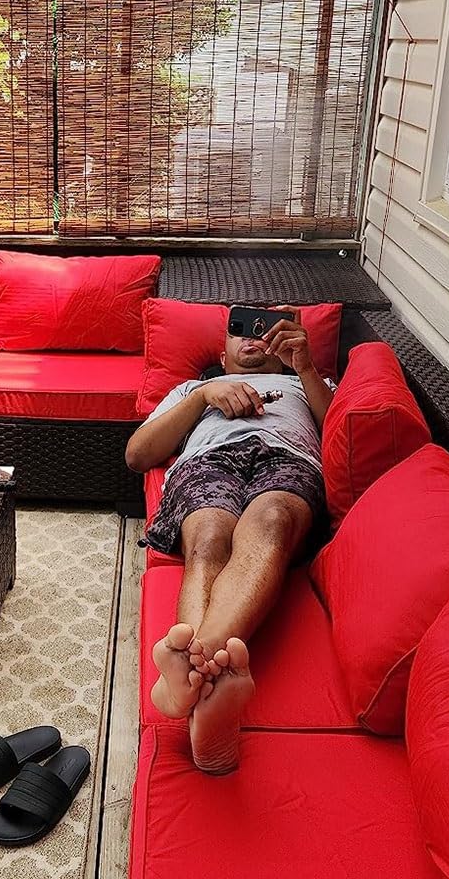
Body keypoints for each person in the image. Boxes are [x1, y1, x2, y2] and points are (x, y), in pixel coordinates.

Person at [124, 307, 332, 774]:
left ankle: (187, 671)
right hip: (209, 462)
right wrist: (204, 396)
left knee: (271, 521)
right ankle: (209, 679)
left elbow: (340, 433)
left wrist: (305, 368)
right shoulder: (193, 390)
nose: (252, 337)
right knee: (209, 536)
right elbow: (137, 455)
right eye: (239, 330)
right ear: (223, 355)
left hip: (287, 459)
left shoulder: (308, 383)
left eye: (265, 329)